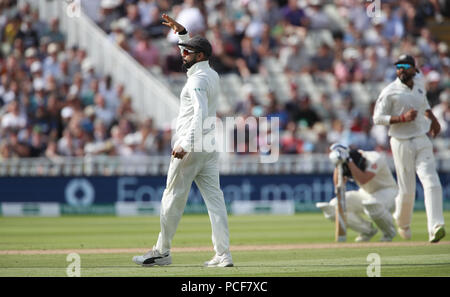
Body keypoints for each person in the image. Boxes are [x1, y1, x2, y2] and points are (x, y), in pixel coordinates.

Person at [132, 14, 233, 267]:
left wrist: (185, 144)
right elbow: (196, 55)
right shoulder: (210, 74)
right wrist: (182, 34)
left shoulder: (198, 80)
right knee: (215, 201)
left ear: (199, 56)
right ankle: (223, 255)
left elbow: (199, 114)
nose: (182, 55)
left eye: (187, 52)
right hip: (209, 146)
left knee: (172, 197)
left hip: (192, 147)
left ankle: (162, 252)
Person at [373, 54, 445, 243]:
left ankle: (436, 227)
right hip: (400, 141)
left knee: (431, 181)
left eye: (405, 65)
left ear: (415, 69)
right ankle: (402, 222)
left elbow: (424, 105)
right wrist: (401, 118)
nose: (401, 69)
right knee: (408, 190)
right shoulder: (390, 91)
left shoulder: (420, 86)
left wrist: (434, 120)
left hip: (422, 139)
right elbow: (377, 118)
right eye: (398, 66)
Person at [316, 144, 397, 242]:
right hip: (365, 193)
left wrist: (349, 161)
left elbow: (363, 179)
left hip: (388, 192)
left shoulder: (374, 158)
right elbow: (338, 184)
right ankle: (367, 230)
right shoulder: (346, 160)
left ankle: (389, 233)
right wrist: (338, 164)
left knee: (372, 205)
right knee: (335, 206)